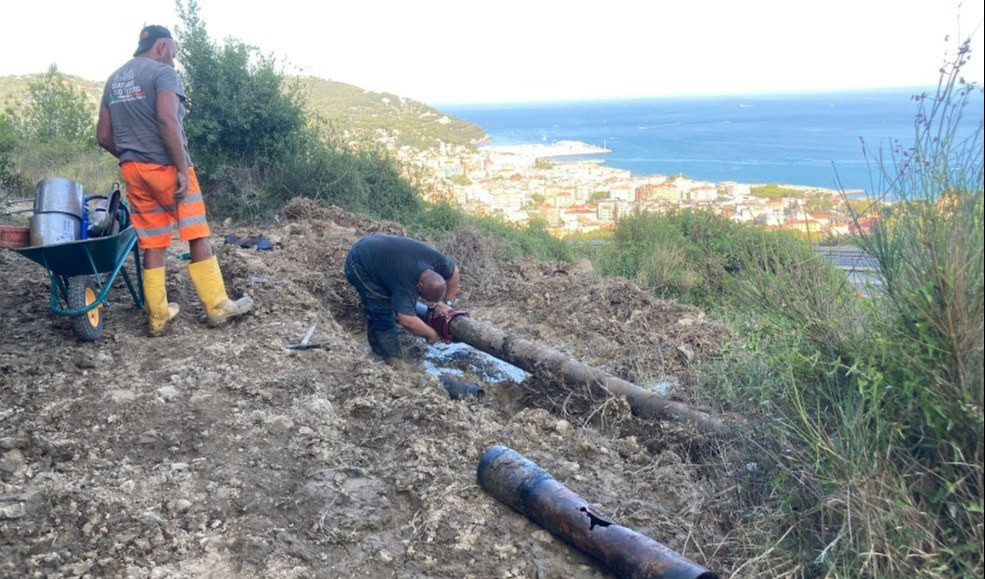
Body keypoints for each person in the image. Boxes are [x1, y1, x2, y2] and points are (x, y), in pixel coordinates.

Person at [96, 25, 253, 336]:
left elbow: (103, 136)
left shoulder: (114, 79)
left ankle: (157, 315)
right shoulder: (162, 73)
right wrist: (181, 167)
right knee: (197, 234)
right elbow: (167, 118)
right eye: (174, 54)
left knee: (153, 240)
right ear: (162, 47)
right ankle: (217, 305)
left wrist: (131, 156)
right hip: (168, 167)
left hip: (134, 171)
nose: (174, 62)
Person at [344, 234, 460, 365]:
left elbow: (454, 273)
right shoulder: (406, 283)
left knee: (397, 302)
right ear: (419, 285)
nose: (421, 299)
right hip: (359, 263)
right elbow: (407, 320)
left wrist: (446, 303)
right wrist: (431, 334)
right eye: (422, 297)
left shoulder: (438, 261)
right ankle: (393, 359)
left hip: (379, 248)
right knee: (381, 309)